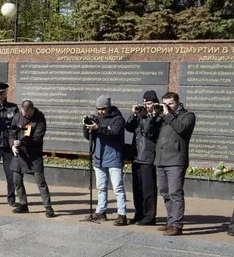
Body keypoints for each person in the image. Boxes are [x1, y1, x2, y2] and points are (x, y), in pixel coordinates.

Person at [154, 92, 196, 236]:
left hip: (176, 160)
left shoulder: (188, 115)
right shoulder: (163, 116)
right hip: (161, 160)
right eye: (165, 104)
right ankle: (170, 221)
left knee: (175, 193)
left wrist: (167, 114)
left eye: (170, 103)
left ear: (178, 102)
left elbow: (182, 129)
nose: (167, 106)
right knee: (165, 193)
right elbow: (151, 132)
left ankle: (177, 225)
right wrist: (153, 116)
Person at [83, 95, 127, 224]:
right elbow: (89, 137)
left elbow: (113, 134)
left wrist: (98, 128)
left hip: (114, 157)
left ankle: (122, 214)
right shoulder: (96, 119)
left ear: (109, 107)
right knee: (101, 187)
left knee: (118, 188)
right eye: (98, 109)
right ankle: (101, 211)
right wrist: (86, 127)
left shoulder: (118, 119)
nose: (101, 111)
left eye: (103, 109)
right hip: (99, 157)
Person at [9, 100, 55, 217]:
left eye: (28, 114)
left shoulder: (40, 119)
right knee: (16, 181)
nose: (25, 116)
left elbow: (38, 138)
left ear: (32, 109)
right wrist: (12, 145)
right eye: (23, 114)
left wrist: (22, 142)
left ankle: (48, 207)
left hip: (34, 155)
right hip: (19, 154)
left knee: (41, 182)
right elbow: (11, 133)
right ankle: (23, 204)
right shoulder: (17, 117)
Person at [124, 91, 162, 226]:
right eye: (145, 103)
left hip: (148, 157)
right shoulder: (141, 115)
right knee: (137, 189)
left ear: (155, 103)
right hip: (136, 156)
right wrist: (135, 114)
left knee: (148, 189)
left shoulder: (158, 116)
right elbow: (128, 127)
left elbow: (149, 131)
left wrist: (150, 116)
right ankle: (139, 214)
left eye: (149, 103)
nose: (146, 106)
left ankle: (149, 216)